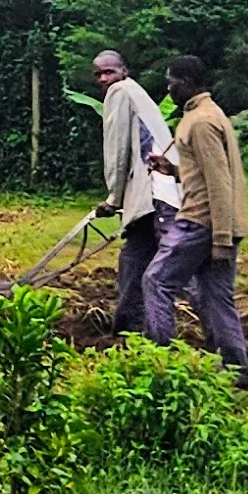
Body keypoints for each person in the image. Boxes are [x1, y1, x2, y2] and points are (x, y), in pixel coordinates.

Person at [140, 54, 248, 386]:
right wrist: (172, 170)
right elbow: (203, 174)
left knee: (156, 281)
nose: (168, 88)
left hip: (201, 223)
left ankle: (158, 362)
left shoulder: (201, 122)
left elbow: (219, 182)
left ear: (186, 82)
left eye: (171, 81)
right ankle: (236, 375)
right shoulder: (208, 114)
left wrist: (219, 239)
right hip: (220, 223)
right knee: (217, 298)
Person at [87, 50, 175, 339]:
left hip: (151, 192)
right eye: (98, 74)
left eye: (108, 72)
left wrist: (114, 198)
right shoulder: (137, 92)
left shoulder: (119, 92)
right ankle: (136, 331)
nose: (103, 79)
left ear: (124, 70)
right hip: (163, 192)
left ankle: (133, 332)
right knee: (143, 263)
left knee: (151, 265)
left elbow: (117, 148)